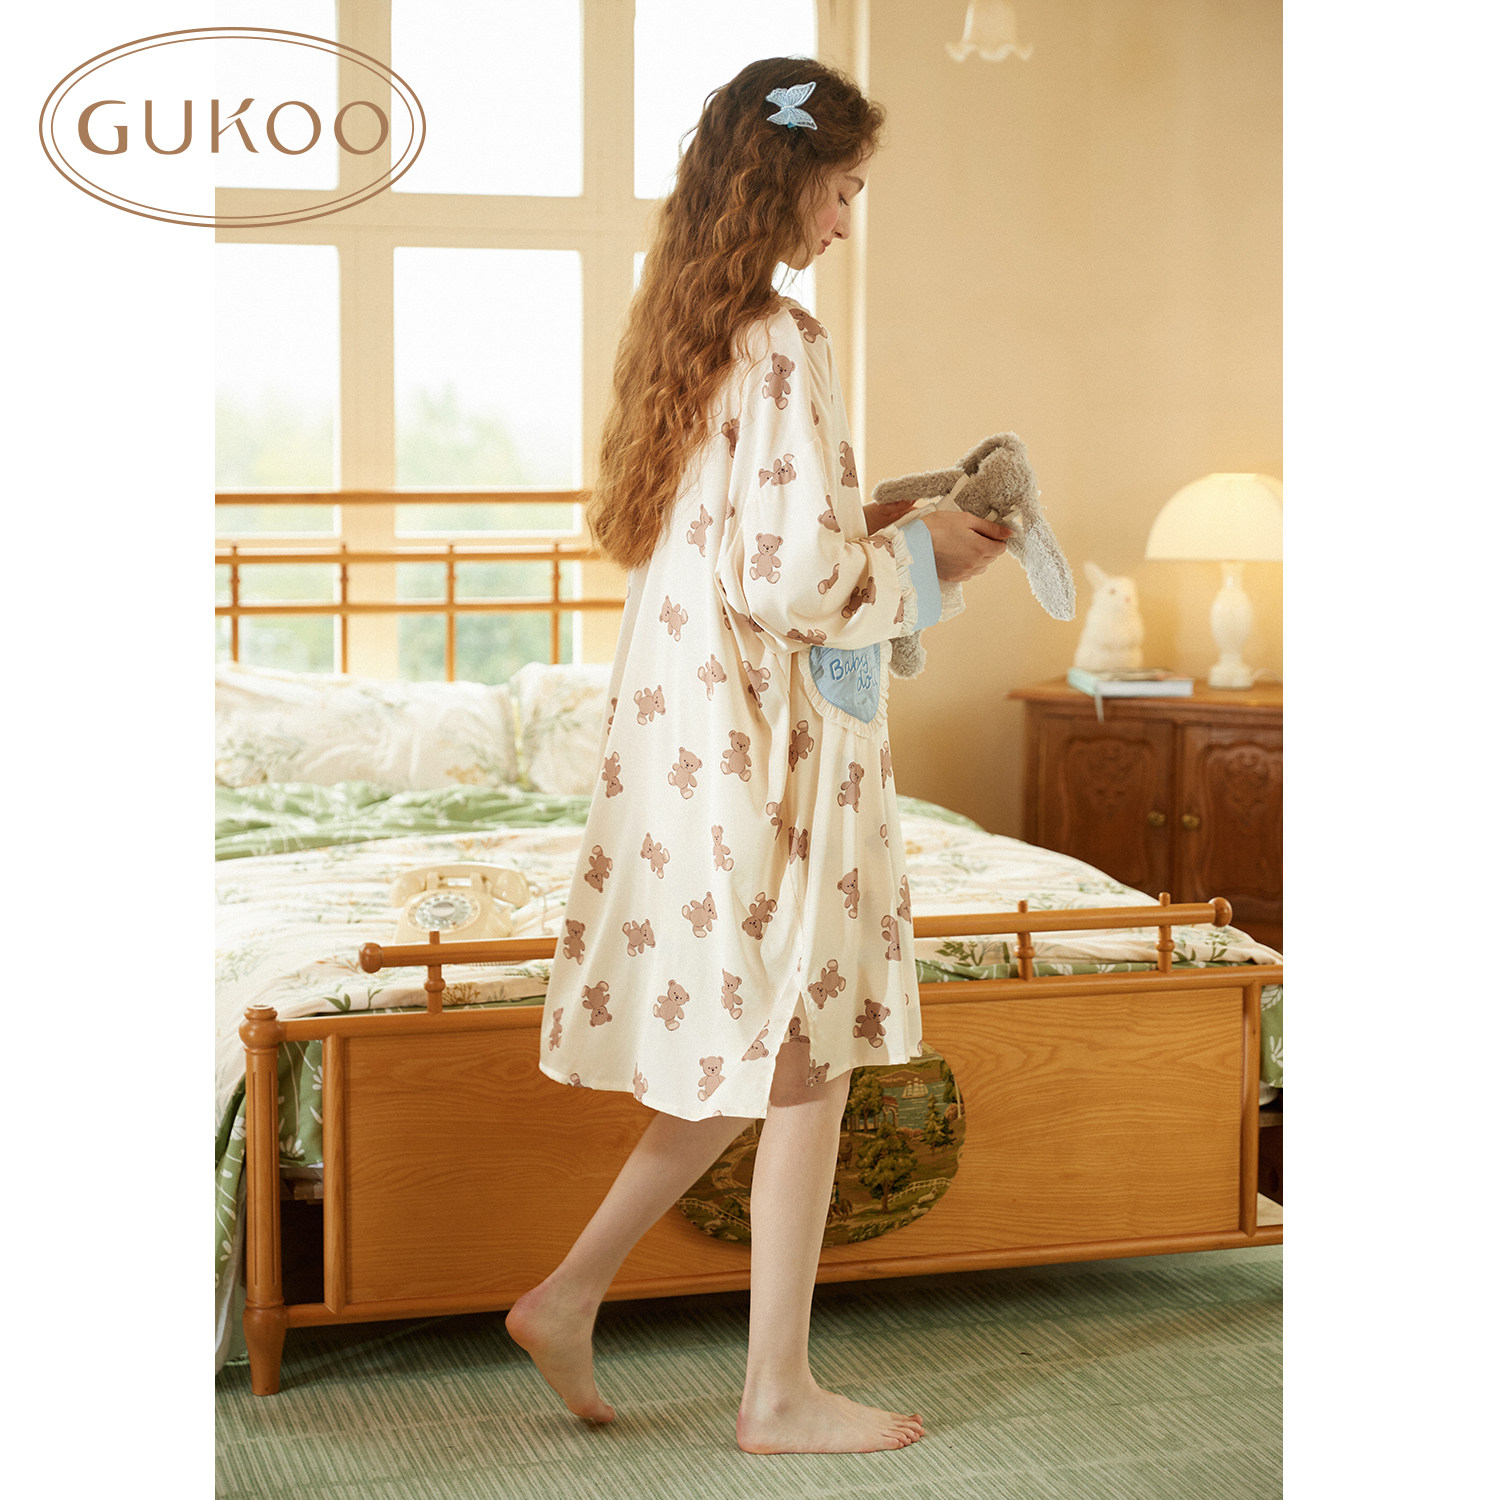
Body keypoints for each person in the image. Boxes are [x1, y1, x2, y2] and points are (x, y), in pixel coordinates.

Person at [506, 57, 1011, 1455]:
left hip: (694, 736)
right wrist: (931, 557)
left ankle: (568, 1295)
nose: (846, 220)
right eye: (842, 190)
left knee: (777, 1045)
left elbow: (754, 544)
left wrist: (879, 521)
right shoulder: (783, 339)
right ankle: (774, 1394)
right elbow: (791, 582)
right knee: (804, 1043)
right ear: (786, 181)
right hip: (763, 742)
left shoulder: (690, 333)